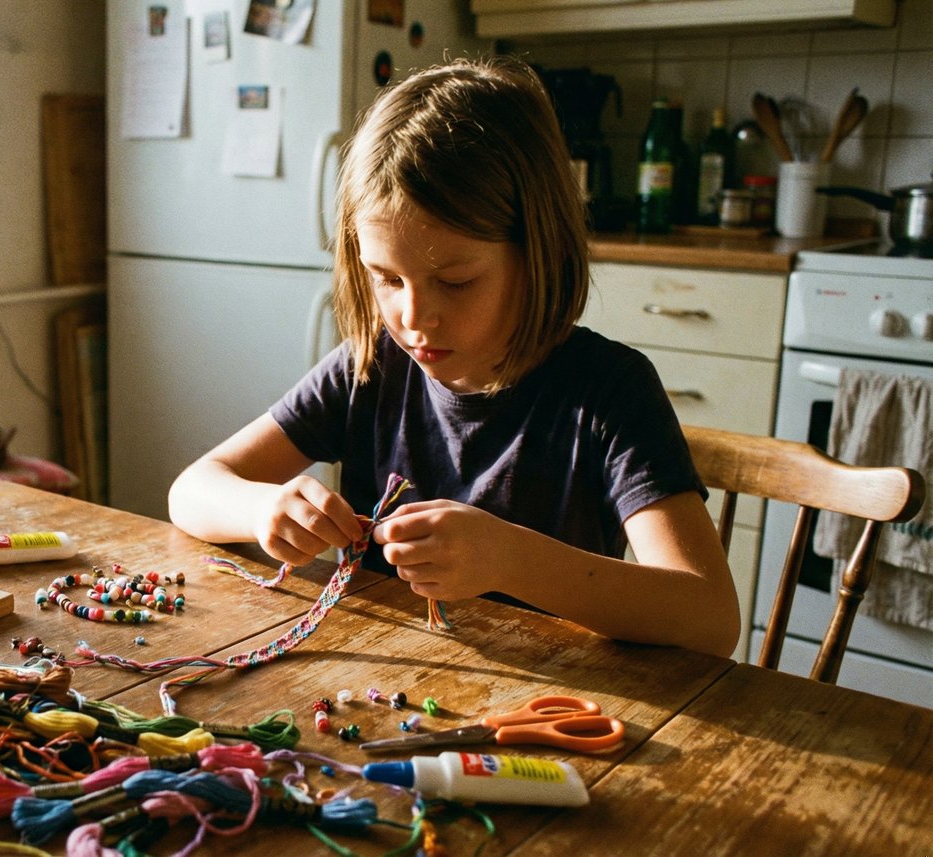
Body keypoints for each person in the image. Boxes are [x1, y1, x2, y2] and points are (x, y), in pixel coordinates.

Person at [168, 56, 739, 658]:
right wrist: (264, 508)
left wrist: (511, 561)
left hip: (548, 710)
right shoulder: (372, 366)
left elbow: (708, 617)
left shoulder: (609, 391)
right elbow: (191, 491)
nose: (414, 318)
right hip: (378, 692)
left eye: (457, 281)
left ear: (536, 250)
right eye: (386, 279)